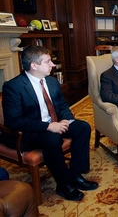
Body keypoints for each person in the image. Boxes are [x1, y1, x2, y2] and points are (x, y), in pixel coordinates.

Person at [1, 45, 98, 201]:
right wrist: (48, 126)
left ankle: (75, 174)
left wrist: (66, 119)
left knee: (82, 127)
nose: (53, 65)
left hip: (53, 123)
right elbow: (14, 121)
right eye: (48, 61)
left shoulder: (51, 82)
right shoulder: (14, 87)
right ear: (34, 65)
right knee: (52, 138)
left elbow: (62, 104)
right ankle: (64, 184)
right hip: (29, 132)